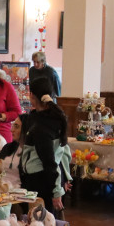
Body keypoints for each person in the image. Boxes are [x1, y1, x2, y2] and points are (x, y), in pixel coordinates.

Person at [21, 77, 71, 215]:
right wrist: (66, 177)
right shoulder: (51, 117)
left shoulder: (42, 126)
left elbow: (49, 162)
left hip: (42, 181)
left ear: (32, 96)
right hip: (48, 178)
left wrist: (56, 191)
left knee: (42, 225)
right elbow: (64, 151)